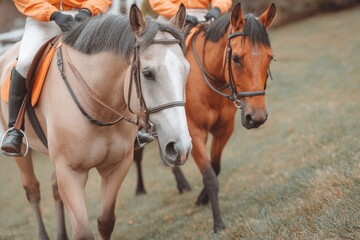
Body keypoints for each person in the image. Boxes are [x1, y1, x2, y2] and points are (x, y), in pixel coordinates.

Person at [1, 0, 112, 154]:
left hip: (85, 17)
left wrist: (88, 9)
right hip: (42, 21)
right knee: (25, 62)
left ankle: (133, 127)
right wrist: (52, 14)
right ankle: (15, 129)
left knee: (114, 57)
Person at [148, 0, 232, 25]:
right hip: (171, 15)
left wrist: (217, 8)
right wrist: (180, 14)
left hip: (203, 15)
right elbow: (158, 1)